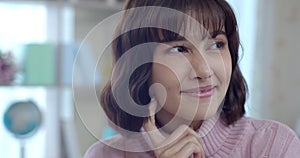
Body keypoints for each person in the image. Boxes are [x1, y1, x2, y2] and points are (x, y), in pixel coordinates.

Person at [84, 0, 300, 157]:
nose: (205, 71)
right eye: (180, 49)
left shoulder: (272, 145)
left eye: (217, 44)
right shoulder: (105, 154)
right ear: (139, 65)